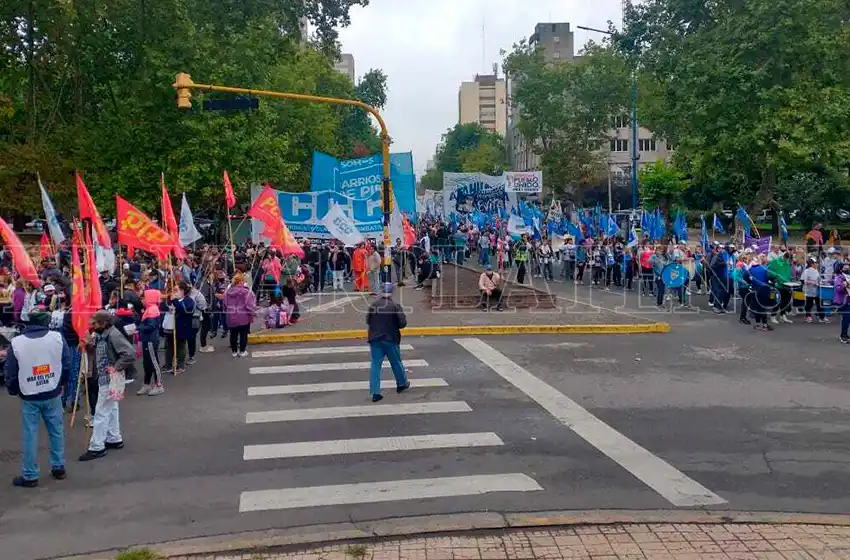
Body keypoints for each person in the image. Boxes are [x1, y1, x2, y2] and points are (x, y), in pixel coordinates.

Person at [5, 309, 72, 487]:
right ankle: (58, 466)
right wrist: (62, 383)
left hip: (29, 394)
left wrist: (14, 390)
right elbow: (66, 364)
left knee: (30, 434)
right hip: (52, 390)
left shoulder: (17, 342)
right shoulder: (57, 338)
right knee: (56, 430)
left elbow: (10, 371)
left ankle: (30, 474)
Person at [79, 311, 136, 461]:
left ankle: (97, 447)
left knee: (101, 412)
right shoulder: (101, 334)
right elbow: (98, 350)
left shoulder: (113, 335)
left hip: (110, 378)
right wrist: (88, 344)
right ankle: (114, 437)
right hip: (106, 378)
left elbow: (130, 353)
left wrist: (115, 368)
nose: (92, 325)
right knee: (111, 407)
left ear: (104, 323)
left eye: (95, 323)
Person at [366, 283, 410, 403]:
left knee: (375, 365)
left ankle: (375, 392)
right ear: (391, 293)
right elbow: (402, 324)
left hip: (375, 339)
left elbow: (368, 321)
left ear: (381, 292)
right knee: (396, 362)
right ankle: (401, 384)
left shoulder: (374, 305)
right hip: (391, 339)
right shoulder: (395, 306)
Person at [137, 289, 164, 396]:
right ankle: (147, 384)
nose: (142, 300)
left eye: (143, 298)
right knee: (147, 363)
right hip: (147, 339)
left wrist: (138, 328)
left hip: (151, 340)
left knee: (153, 362)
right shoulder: (150, 309)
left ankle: (159, 385)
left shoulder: (152, 310)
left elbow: (151, 326)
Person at [224, 273, 257, 357]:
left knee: (233, 334)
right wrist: (252, 313)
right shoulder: (245, 292)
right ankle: (242, 351)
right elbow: (249, 305)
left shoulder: (228, 292)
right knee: (243, 334)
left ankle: (234, 352)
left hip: (231, 316)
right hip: (243, 316)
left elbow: (225, 304)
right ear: (241, 281)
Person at [834, 263, 850, 344]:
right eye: (845, 268)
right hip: (842, 301)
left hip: (848, 300)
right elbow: (838, 289)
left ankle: (845, 334)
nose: (847, 269)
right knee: (846, 318)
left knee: (848, 318)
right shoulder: (839, 277)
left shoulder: (847, 276)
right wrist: (845, 284)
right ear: (840, 269)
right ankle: (843, 335)